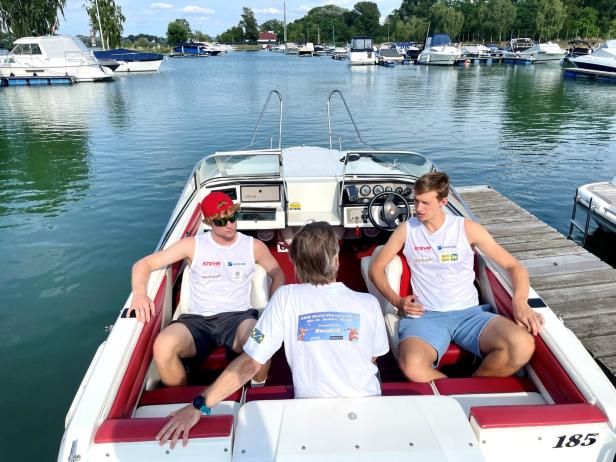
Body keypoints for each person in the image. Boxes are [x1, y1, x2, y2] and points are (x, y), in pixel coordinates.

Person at [156, 221, 389, 448]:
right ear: (337, 261)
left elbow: (250, 363)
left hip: (312, 414)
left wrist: (198, 405)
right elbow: (374, 358)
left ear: (296, 266)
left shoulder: (285, 298)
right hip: (371, 409)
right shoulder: (369, 303)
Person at [368, 172, 543, 383]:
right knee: (412, 366)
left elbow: (514, 266)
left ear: (443, 202)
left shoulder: (467, 229)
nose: (418, 208)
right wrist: (397, 302)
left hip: (470, 315)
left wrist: (520, 302)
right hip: (426, 316)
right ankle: (459, 398)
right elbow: (376, 268)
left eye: (425, 203)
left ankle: (472, 390)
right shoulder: (407, 230)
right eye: (416, 201)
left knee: (522, 345)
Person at [129, 191, 285, 387]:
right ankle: (181, 401)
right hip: (196, 321)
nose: (230, 224)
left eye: (233, 217)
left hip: (239, 318)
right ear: (209, 222)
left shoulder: (253, 246)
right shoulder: (191, 245)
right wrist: (140, 295)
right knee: (162, 346)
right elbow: (143, 264)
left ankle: (257, 389)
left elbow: (277, 272)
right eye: (222, 221)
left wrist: (272, 307)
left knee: (261, 340)